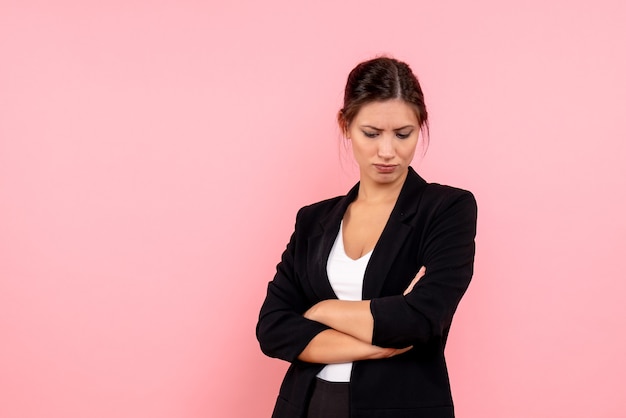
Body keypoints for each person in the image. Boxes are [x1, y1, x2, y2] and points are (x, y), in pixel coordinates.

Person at [256, 56, 477, 418]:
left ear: (421, 126)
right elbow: (273, 327)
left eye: (403, 134)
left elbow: (421, 319)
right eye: (371, 134)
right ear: (346, 126)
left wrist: (323, 310)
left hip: (401, 406)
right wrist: (376, 345)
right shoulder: (313, 220)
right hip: (306, 405)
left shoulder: (446, 209)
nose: (387, 151)